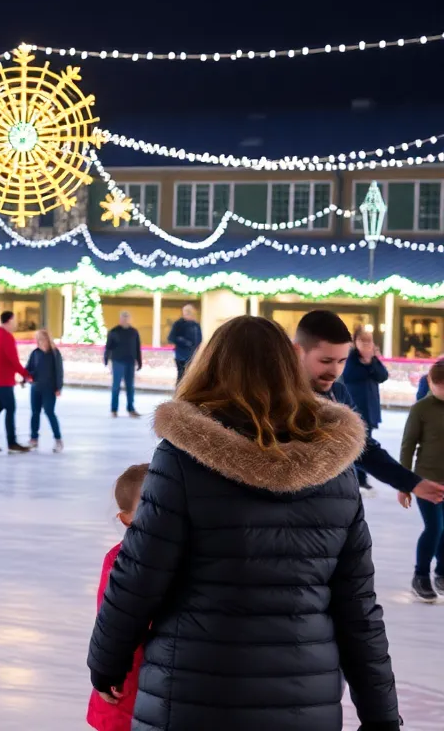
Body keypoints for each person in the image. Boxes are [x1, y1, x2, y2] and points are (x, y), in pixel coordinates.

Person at [87, 315, 401, 731]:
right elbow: (357, 605)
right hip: (303, 700)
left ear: (210, 366)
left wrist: (108, 662)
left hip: (192, 695)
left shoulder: (182, 458)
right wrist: (380, 714)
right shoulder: (335, 470)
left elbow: (140, 573)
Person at [294, 310, 444, 503]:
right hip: (300, 516)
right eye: (325, 361)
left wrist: (410, 482)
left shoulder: (337, 393)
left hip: (337, 512)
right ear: (298, 351)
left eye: (341, 361)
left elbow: (362, 446)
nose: (335, 371)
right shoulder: (276, 399)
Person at [86, 463, 148, 731]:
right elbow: (112, 622)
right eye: (148, 507)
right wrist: (108, 668)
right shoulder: (120, 562)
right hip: (126, 687)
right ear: (126, 519)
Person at [399, 359, 444, 602]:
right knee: (435, 528)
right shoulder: (421, 410)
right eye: (441, 387)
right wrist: (404, 484)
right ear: (431, 383)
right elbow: (407, 446)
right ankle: (421, 576)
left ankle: (442, 572)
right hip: (427, 481)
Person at [343, 326, 388, 491]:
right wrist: (366, 364)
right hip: (354, 407)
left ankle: (361, 478)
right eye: (362, 340)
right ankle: (353, 478)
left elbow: (382, 376)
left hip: (370, 408)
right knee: (354, 444)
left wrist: (371, 362)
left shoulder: (373, 360)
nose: (366, 344)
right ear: (355, 342)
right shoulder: (350, 358)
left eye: (369, 340)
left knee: (367, 445)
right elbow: (349, 376)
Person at [0, 311, 32, 453]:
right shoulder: (6, 336)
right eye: (15, 320)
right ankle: (12, 442)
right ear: (9, 321)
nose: (16, 323)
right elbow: (13, 360)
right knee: (10, 409)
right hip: (3, 380)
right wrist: (27, 375)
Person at [26, 329, 64, 453]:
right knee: (35, 413)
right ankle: (34, 439)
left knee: (49, 412)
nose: (40, 342)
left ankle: (58, 439)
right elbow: (29, 368)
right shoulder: (35, 353)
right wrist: (25, 378)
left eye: (42, 339)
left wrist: (58, 387)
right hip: (35, 388)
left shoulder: (54, 353)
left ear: (48, 339)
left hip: (49, 389)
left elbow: (59, 371)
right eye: (38, 339)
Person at [103, 311, 141, 418]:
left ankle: (131, 409)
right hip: (117, 362)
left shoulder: (134, 332)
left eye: (127, 318)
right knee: (116, 386)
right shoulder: (114, 332)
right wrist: (106, 360)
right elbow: (108, 347)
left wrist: (139, 361)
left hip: (130, 362)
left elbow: (137, 348)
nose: (125, 320)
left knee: (130, 387)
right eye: (123, 318)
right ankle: (114, 410)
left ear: (130, 319)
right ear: (120, 319)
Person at [166, 304, 201, 383]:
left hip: (193, 355)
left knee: (190, 377)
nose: (188, 313)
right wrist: (184, 342)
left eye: (190, 311)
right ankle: (180, 393)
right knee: (182, 376)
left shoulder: (196, 325)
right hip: (181, 356)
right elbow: (171, 338)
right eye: (186, 311)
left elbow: (199, 339)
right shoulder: (178, 324)